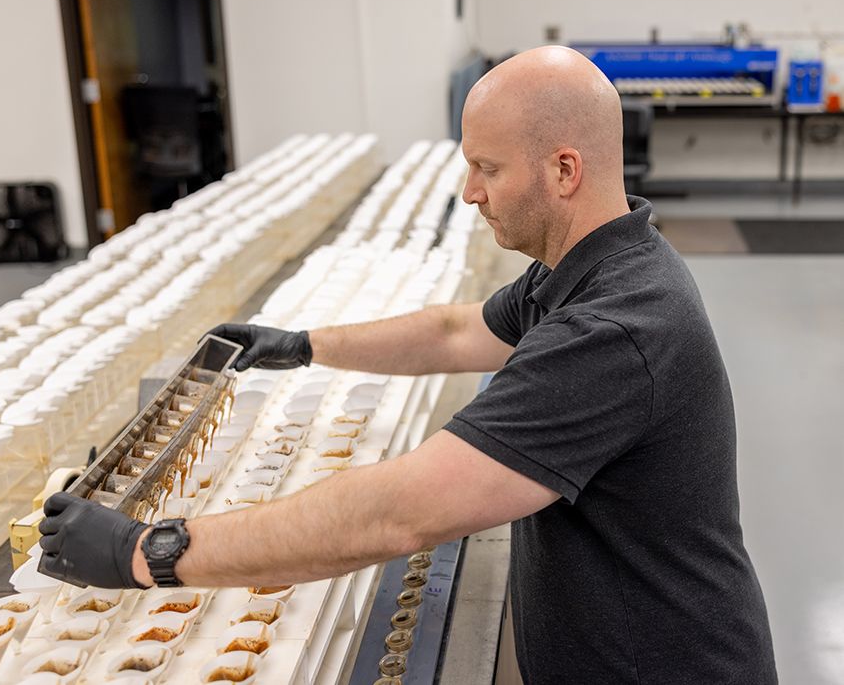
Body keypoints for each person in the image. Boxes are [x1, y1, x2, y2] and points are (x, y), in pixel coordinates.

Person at [39, 46, 777, 683]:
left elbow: (404, 512)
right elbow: (458, 332)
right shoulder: (587, 264)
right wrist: (302, 345)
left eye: (488, 168)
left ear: (563, 170)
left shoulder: (617, 328)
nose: (470, 192)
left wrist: (150, 549)